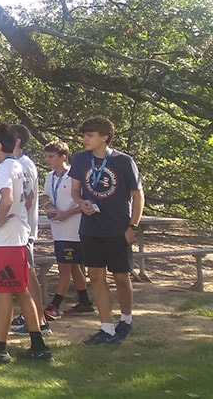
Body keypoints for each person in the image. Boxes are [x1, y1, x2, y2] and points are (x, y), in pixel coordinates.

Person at [0, 123, 52, 364]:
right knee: (20, 290)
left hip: (7, 238)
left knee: (4, 292)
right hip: (19, 234)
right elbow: (29, 197)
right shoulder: (21, 166)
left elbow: (6, 199)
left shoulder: (4, 168)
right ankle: (38, 346)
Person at [70, 116, 144, 345]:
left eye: (89, 136)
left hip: (118, 228)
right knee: (95, 276)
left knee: (121, 276)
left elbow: (138, 195)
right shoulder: (81, 159)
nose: (84, 139)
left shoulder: (123, 161)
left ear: (104, 137)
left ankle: (126, 319)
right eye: (83, 135)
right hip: (91, 228)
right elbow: (75, 191)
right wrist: (81, 203)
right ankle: (107, 327)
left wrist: (132, 227)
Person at [41, 140, 94, 318]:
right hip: (58, 228)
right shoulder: (49, 177)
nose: (48, 160)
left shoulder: (75, 175)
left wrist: (67, 213)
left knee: (64, 267)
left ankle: (54, 305)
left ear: (63, 157)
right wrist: (48, 208)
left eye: (51, 157)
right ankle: (85, 302)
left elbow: (85, 203)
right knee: (72, 267)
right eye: (46, 156)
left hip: (73, 229)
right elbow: (46, 195)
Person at [10, 124, 51, 335]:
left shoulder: (23, 164)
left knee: (28, 273)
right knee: (24, 273)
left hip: (23, 230)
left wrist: (15, 219)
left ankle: (40, 321)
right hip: (21, 229)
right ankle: (32, 315)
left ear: (16, 141)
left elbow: (28, 198)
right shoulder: (17, 163)